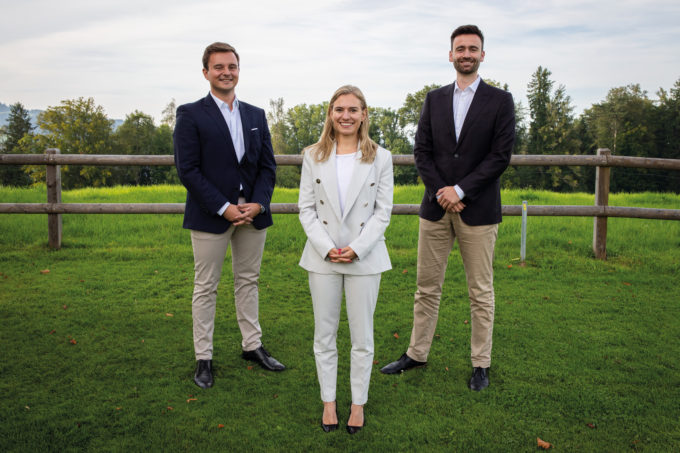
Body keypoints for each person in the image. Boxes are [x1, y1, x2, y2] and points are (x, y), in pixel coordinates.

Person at [380, 25, 515, 391]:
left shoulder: (500, 101)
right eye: (460, 48)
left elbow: (500, 156)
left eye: (473, 48)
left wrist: (461, 190)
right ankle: (416, 353)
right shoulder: (433, 99)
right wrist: (442, 191)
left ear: (482, 55)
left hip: (478, 210)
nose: (466, 53)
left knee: (480, 291)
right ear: (450, 54)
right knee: (426, 287)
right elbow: (422, 151)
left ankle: (480, 364)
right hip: (436, 208)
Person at [174, 42, 286, 390]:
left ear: (239, 70)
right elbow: (188, 170)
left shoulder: (255, 115)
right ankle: (203, 357)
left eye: (232, 66)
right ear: (206, 71)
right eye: (219, 67)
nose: (226, 72)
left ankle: (252, 346)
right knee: (206, 286)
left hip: (252, 214)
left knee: (248, 281)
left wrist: (258, 203)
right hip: (212, 214)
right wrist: (224, 207)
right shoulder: (190, 114)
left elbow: (267, 166)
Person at [298, 85, 393, 433]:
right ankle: (328, 402)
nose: (346, 116)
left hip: (364, 258)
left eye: (353, 109)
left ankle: (357, 404)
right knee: (324, 334)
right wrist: (326, 247)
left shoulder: (380, 157)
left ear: (364, 114)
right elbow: (306, 209)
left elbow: (383, 212)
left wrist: (357, 247)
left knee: (362, 336)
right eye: (339, 109)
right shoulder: (313, 155)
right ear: (330, 114)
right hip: (322, 257)